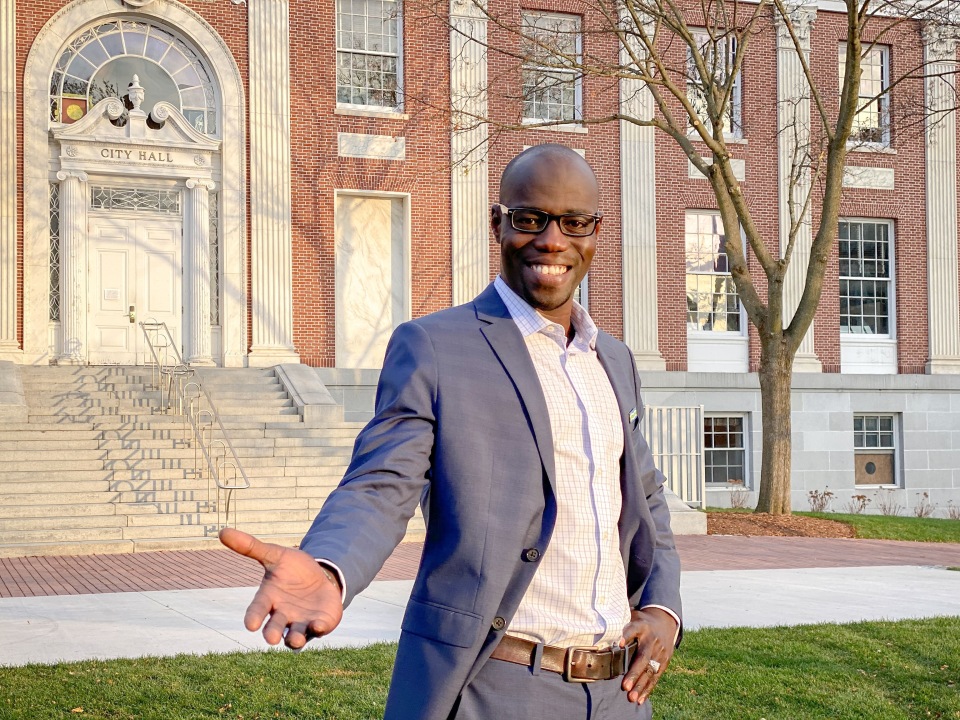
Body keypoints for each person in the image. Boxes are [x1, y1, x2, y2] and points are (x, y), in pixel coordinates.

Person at [220, 144, 682, 720]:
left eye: (574, 222)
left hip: (618, 697)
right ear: (498, 223)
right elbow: (382, 483)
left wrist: (663, 606)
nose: (552, 241)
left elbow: (645, 495)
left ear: (595, 231)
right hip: (499, 687)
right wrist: (331, 567)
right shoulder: (436, 346)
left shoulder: (613, 359)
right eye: (530, 219)